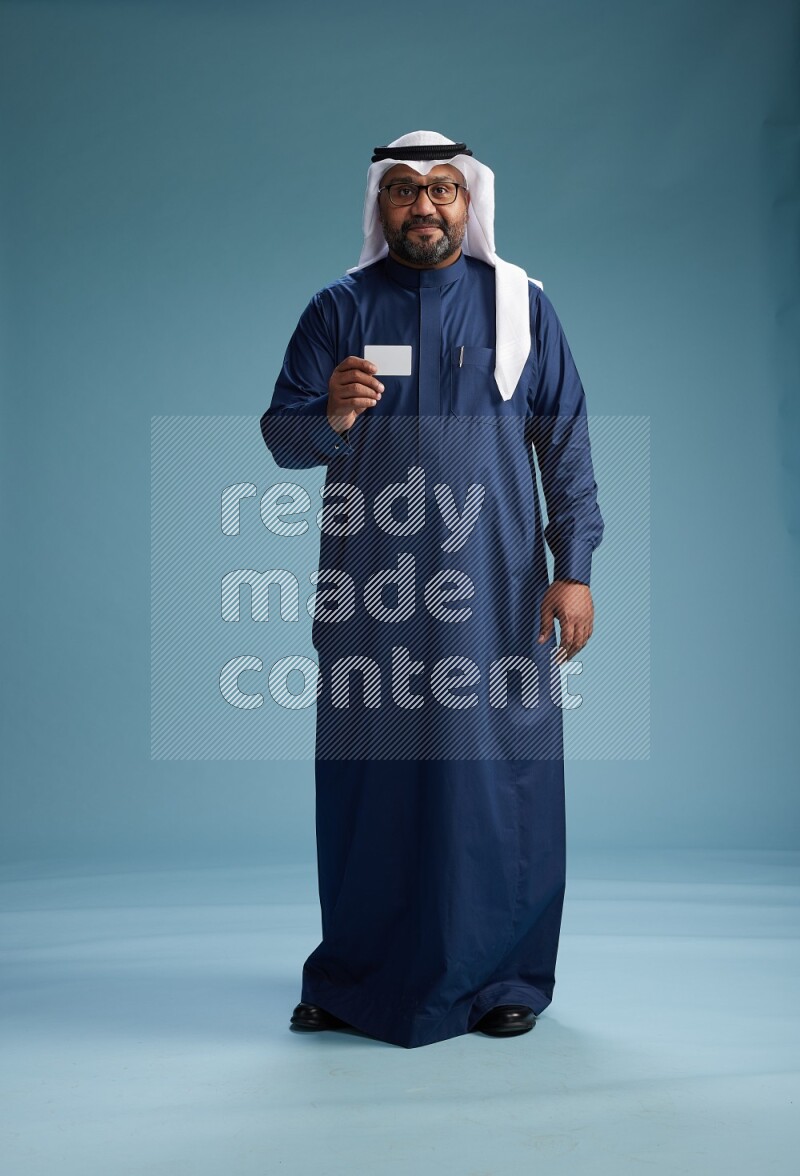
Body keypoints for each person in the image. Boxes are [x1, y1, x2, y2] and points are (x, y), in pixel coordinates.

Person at [260, 130, 604, 1048]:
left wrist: (574, 569)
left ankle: (505, 978)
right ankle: (354, 976)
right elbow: (283, 437)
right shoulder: (338, 308)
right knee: (371, 776)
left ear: (470, 202)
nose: (425, 206)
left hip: (496, 583)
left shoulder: (523, 308)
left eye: (443, 190)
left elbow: (563, 442)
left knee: (499, 778)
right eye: (406, 190)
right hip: (372, 584)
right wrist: (329, 413)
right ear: (381, 206)